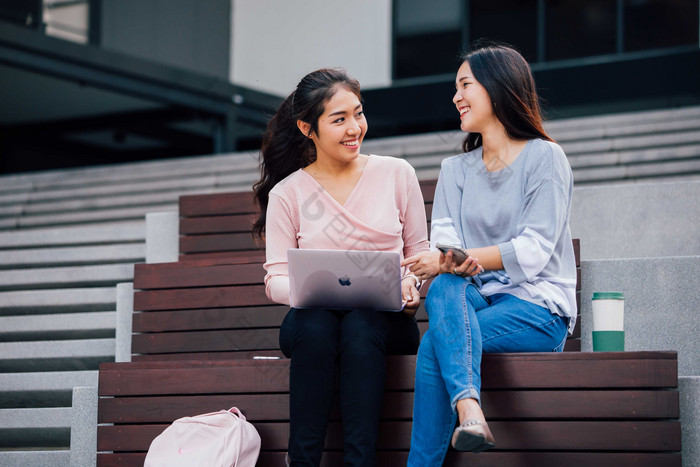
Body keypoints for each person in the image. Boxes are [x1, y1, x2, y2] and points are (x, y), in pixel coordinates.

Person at [403, 44, 577, 466]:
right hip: (473, 300)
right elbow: (446, 242)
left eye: (466, 85)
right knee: (446, 285)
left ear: (498, 87)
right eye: (456, 88)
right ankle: (470, 413)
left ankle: (464, 412)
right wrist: (449, 262)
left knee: (434, 345)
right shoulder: (455, 171)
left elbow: (534, 251)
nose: (456, 97)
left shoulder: (544, 157)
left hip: (537, 308)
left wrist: (449, 260)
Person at [252, 68, 429, 467]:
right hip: (315, 321)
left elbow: (419, 252)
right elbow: (275, 278)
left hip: (385, 321)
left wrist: (410, 284)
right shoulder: (288, 194)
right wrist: (314, 288)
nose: (355, 128)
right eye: (339, 119)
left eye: (358, 114)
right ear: (306, 127)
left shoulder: (397, 174)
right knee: (316, 325)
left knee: (360, 325)